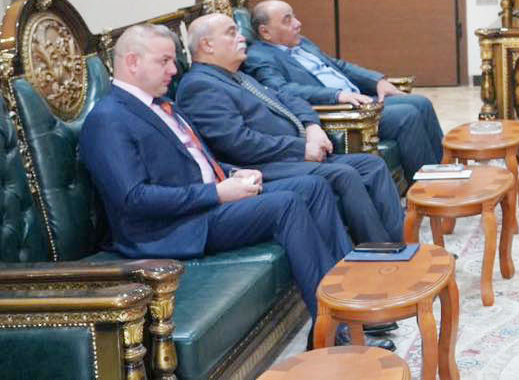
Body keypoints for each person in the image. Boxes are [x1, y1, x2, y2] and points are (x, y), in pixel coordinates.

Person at [78, 26, 351, 323]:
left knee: (314, 187)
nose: (173, 70)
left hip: (207, 202)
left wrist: (233, 173)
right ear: (132, 62)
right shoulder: (108, 118)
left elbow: (195, 161)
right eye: (164, 61)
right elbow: (134, 199)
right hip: (171, 227)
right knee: (286, 204)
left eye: (173, 61)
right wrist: (218, 193)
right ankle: (334, 324)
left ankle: (350, 294)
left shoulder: (162, 104)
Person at [177, 13, 405, 245]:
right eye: (231, 33)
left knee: (372, 164)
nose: (242, 37)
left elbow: (288, 98)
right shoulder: (200, 86)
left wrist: (312, 126)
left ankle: (399, 243)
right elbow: (238, 143)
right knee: (344, 174)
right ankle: (379, 251)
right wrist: (300, 149)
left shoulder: (235, 75)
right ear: (207, 45)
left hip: (290, 154)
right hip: (260, 165)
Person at [242, 0, 444, 178]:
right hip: (338, 110)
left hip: (359, 100)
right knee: (407, 115)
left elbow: (339, 66)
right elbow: (282, 90)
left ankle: (444, 170)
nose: (297, 23)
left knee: (421, 103)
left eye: (294, 16)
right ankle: (427, 188)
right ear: (265, 32)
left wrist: (377, 81)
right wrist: (337, 95)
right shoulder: (258, 57)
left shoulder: (302, 43)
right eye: (287, 20)